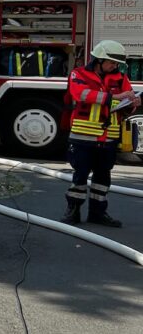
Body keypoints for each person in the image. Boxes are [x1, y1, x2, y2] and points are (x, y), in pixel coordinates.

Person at [62, 39, 139, 227]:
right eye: (112, 62)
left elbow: (124, 103)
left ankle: (98, 212)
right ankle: (73, 211)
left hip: (109, 138)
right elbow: (81, 94)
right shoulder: (78, 74)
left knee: (103, 178)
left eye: (117, 64)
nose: (115, 66)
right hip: (83, 137)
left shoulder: (120, 78)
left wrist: (132, 104)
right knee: (80, 176)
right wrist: (115, 97)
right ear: (99, 60)